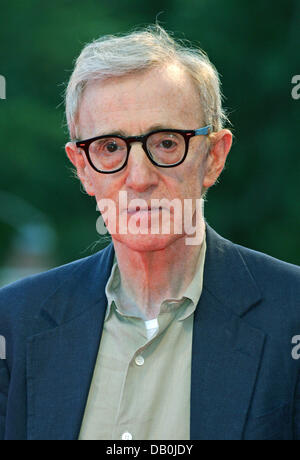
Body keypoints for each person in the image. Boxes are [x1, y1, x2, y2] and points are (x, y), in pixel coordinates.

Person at [0, 25, 299, 441]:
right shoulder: (12, 325)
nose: (139, 178)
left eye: (165, 143)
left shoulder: (292, 314)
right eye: (109, 147)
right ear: (83, 168)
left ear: (214, 157)